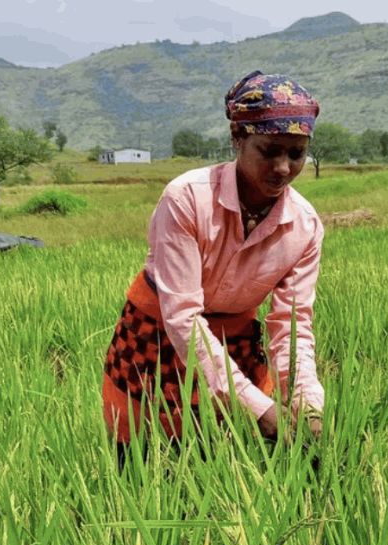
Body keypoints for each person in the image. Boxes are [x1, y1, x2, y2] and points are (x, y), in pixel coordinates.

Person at [102, 70, 326, 460]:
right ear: (238, 139)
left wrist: (306, 401)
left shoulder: (305, 226)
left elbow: (291, 325)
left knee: (227, 457)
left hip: (234, 341)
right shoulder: (187, 198)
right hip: (155, 336)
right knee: (140, 456)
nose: (283, 168)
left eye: (296, 154)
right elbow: (183, 317)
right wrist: (258, 407)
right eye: (269, 150)